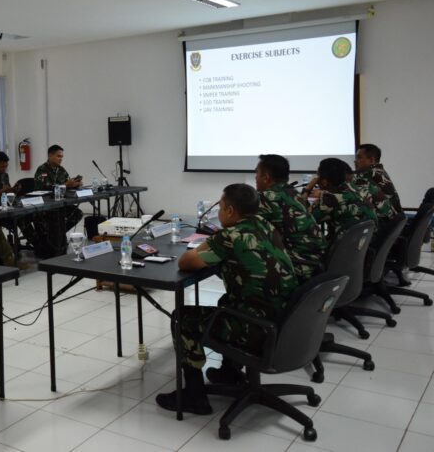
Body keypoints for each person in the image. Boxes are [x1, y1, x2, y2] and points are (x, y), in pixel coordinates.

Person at [156, 183, 297, 415]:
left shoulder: (231, 236)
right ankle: (229, 372)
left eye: (220, 207)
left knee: (183, 318)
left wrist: (212, 241)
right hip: (285, 319)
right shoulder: (267, 225)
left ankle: (194, 395)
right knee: (227, 302)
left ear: (230, 211)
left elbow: (186, 262)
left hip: (257, 328)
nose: (219, 212)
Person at [255, 154, 325, 281]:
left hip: (297, 267)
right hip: (316, 262)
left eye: (257, 173)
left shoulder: (266, 197)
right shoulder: (293, 193)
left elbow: (242, 228)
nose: (255, 177)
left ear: (265, 177)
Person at [302, 158, 378, 249]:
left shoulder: (331, 198)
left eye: (318, 176)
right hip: (365, 248)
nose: (316, 179)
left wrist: (308, 188)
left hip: (342, 253)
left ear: (324, 181)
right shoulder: (356, 189)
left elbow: (302, 220)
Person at [32, 145, 84, 257]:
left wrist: (75, 184)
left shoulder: (61, 170)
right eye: (58, 156)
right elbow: (44, 189)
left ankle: (57, 235)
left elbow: (67, 185)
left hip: (60, 204)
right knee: (56, 218)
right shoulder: (42, 170)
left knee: (77, 213)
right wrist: (66, 184)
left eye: (62, 157)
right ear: (50, 155)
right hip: (46, 206)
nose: (61, 159)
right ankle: (54, 240)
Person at [354, 143, 402, 213]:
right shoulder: (379, 171)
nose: (355, 161)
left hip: (383, 221)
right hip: (395, 219)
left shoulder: (367, 175)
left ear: (371, 160)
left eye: (359, 157)